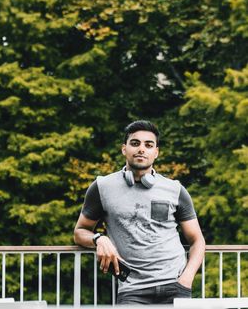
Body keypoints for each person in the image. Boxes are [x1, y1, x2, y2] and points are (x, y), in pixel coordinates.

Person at [74, 120, 205, 304]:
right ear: (124, 149)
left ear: (156, 152)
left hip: (175, 285)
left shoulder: (175, 189)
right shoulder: (102, 187)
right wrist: (99, 239)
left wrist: (186, 280)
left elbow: (197, 240)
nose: (141, 149)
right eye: (135, 143)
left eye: (148, 145)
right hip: (132, 290)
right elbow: (80, 232)